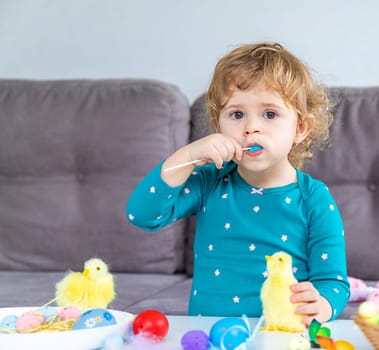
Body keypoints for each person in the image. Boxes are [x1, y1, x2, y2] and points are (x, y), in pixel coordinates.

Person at [127, 42, 349, 325]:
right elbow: (143, 214)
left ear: (301, 128)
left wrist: (323, 304)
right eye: (237, 114)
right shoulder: (210, 182)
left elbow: (333, 282)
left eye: (270, 114)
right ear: (219, 126)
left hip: (281, 336)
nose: (250, 127)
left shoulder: (314, 198)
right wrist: (189, 155)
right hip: (209, 334)